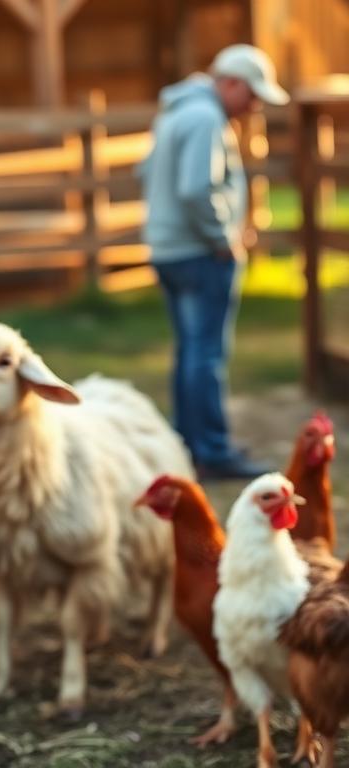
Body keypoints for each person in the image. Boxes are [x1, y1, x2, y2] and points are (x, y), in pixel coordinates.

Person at [140, 44, 288, 481]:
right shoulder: (205, 118)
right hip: (199, 253)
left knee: (190, 350)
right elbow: (195, 188)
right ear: (231, 83)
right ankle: (212, 451)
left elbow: (145, 172)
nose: (254, 106)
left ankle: (187, 444)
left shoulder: (175, 113)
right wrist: (222, 237)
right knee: (206, 354)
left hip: (168, 249)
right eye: (252, 94)